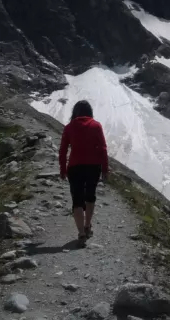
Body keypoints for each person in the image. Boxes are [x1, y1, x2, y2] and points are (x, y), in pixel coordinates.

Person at [59, 100, 109, 243]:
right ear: (90, 112)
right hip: (94, 166)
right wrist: (105, 169)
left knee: (77, 199)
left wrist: (63, 169)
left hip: (75, 167)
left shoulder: (69, 127)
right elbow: (103, 149)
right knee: (90, 195)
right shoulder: (96, 125)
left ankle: (81, 233)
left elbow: (63, 150)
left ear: (75, 112)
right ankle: (87, 226)